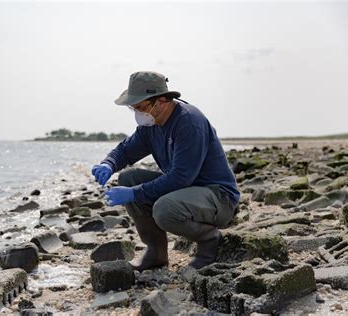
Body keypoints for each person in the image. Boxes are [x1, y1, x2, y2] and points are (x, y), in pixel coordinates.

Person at [91, 71, 240, 271]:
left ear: (160, 101)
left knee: (164, 209)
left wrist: (135, 193)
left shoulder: (189, 122)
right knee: (128, 178)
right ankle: (156, 253)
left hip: (218, 197)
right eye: (133, 108)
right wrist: (108, 163)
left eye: (140, 107)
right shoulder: (150, 125)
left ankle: (209, 239)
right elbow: (126, 150)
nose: (137, 112)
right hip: (186, 192)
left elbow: (180, 177)